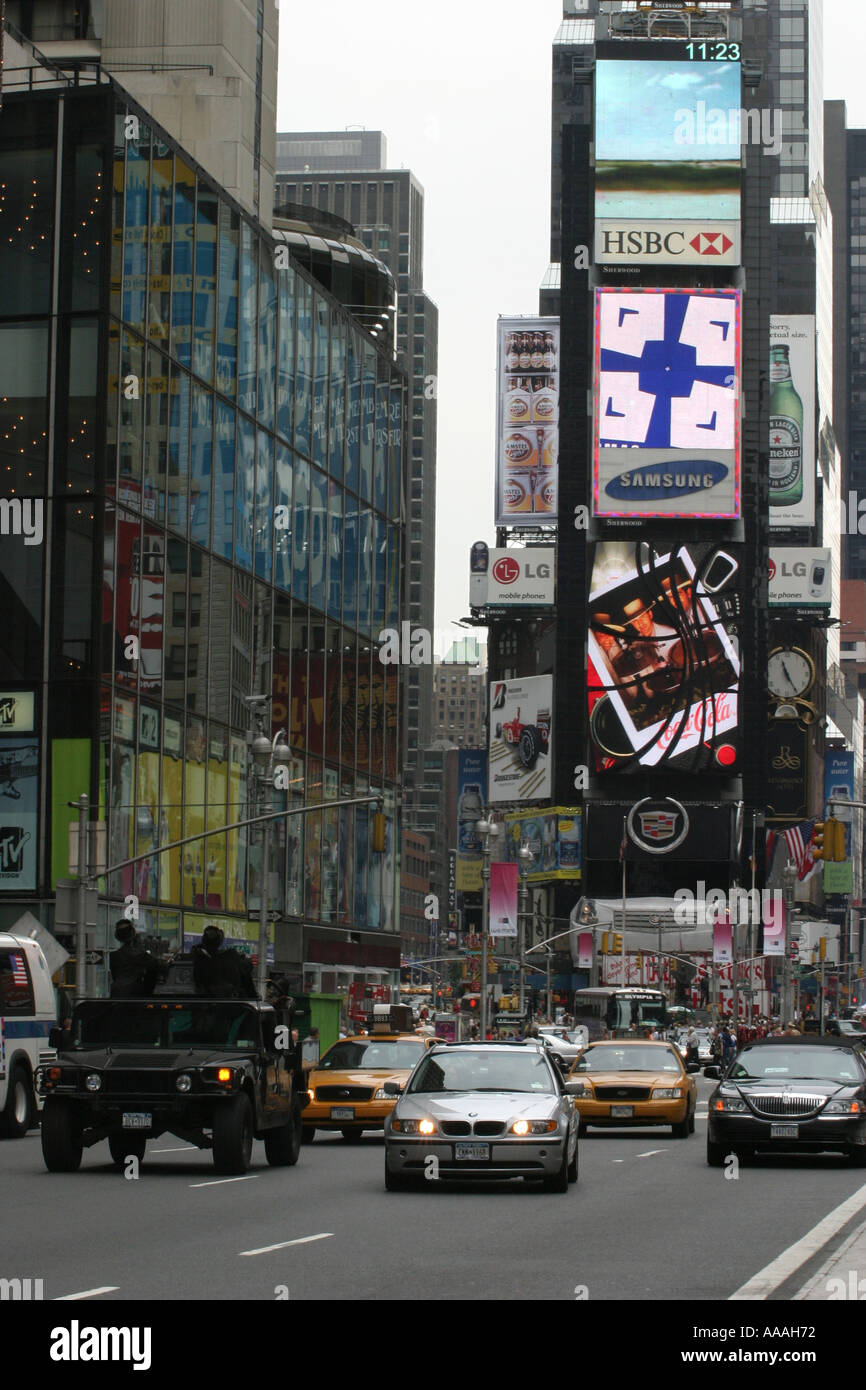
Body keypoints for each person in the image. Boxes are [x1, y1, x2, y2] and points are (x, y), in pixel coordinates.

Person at [191, 925, 258, 999]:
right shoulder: (232, 956)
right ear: (219, 941)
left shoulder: (199, 959)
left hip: (210, 1002)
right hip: (230, 1003)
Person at [109, 920, 159, 998]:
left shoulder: (114, 956)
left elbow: (115, 976)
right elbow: (157, 966)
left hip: (116, 994)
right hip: (134, 997)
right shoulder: (140, 955)